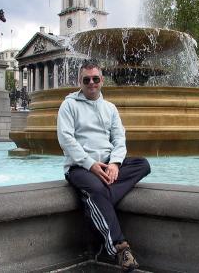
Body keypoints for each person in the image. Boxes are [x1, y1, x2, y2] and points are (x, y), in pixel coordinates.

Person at [57, 60, 151, 272]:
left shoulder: (110, 108)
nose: (91, 83)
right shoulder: (69, 105)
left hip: (108, 164)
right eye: (86, 79)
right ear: (79, 82)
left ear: (102, 80)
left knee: (142, 164)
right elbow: (66, 139)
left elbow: (119, 138)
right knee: (97, 189)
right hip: (80, 168)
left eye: (95, 79)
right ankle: (120, 248)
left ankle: (97, 204)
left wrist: (115, 164)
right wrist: (90, 165)